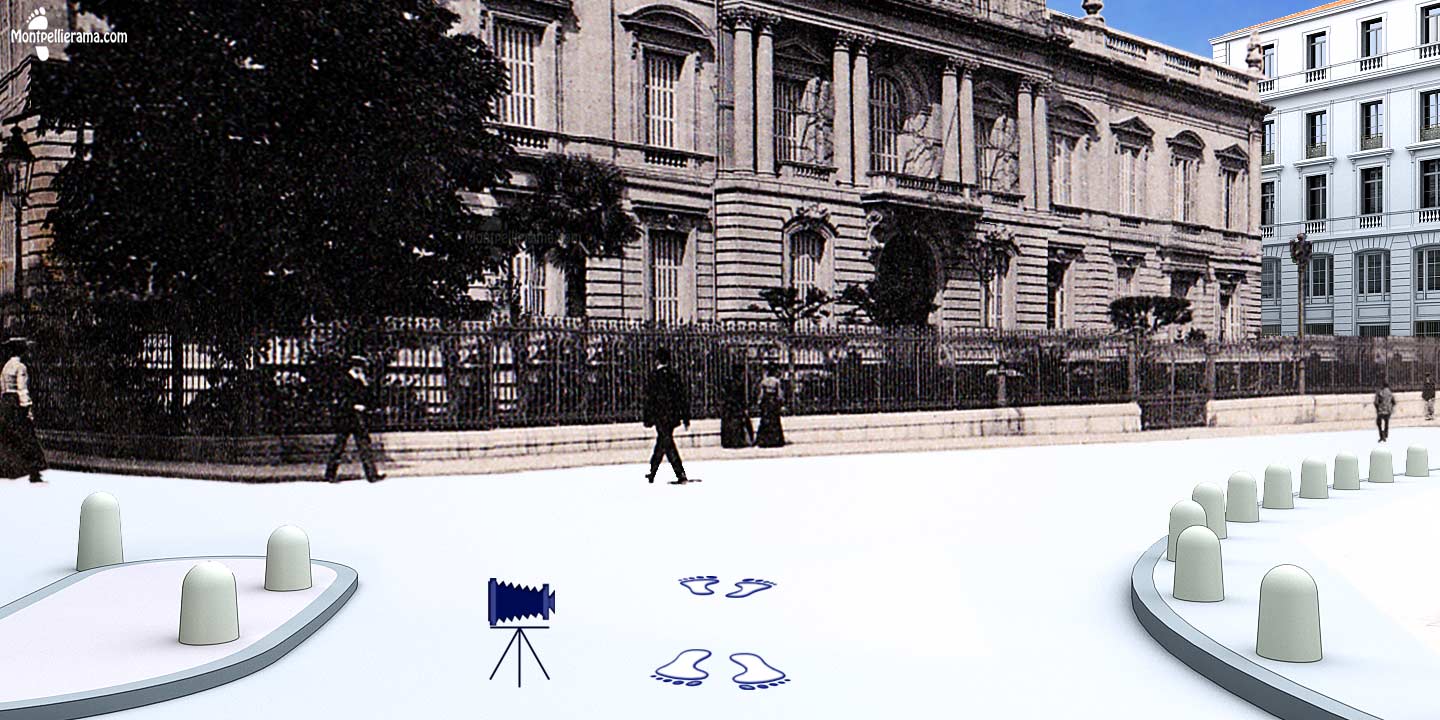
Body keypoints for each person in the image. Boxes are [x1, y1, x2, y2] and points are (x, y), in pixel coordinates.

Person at [325, 355, 384, 483]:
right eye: (361, 368)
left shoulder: (359, 381)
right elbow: (341, 399)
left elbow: (369, 398)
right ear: (356, 367)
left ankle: (372, 474)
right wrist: (354, 405)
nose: (363, 371)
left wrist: (365, 384)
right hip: (346, 417)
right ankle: (330, 474)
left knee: (364, 446)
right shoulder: (343, 380)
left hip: (356, 419)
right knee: (339, 447)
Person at [0, 337, 46, 483]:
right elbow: (22, 388)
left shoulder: (6, 366)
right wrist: (27, 407)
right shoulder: (21, 367)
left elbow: (2, 386)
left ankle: (9, 468)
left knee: (8, 436)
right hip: (16, 403)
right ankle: (34, 470)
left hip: (6, 402)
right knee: (27, 436)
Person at [642, 347, 691, 484]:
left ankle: (679, 473)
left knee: (666, 443)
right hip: (672, 416)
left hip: (659, 416)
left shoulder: (653, 377)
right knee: (663, 442)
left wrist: (647, 417)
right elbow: (682, 397)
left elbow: (649, 399)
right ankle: (653, 471)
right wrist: (685, 416)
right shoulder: (674, 376)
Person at [719, 364, 754, 449]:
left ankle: (729, 441)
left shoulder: (729, 381)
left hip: (729, 406)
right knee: (738, 422)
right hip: (736, 405)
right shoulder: (739, 383)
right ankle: (738, 440)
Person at [754, 364, 786, 448]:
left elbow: (761, 394)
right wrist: (781, 402)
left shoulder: (764, 381)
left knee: (765, 420)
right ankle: (775, 440)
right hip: (773, 401)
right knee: (774, 420)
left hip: (766, 401)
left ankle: (763, 440)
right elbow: (779, 393)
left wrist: (759, 402)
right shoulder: (776, 381)